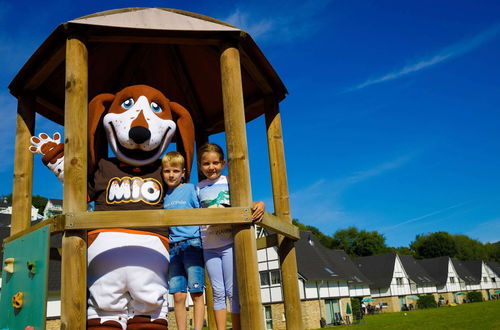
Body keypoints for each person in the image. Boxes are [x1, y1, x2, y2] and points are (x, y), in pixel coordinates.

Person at [196, 143, 265, 330]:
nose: (211, 167)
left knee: (232, 291)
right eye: (206, 164)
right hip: (208, 245)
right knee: (217, 292)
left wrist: (259, 203)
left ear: (223, 163)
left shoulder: (229, 182)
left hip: (228, 244)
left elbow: (244, 202)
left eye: (215, 163)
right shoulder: (198, 188)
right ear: (200, 166)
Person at [162, 152, 205, 330]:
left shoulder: (190, 189)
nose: (171, 175)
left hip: (192, 243)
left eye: (175, 171)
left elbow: (202, 210)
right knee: (178, 295)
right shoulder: (163, 196)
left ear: (183, 173)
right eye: (167, 171)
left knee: (196, 291)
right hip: (173, 247)